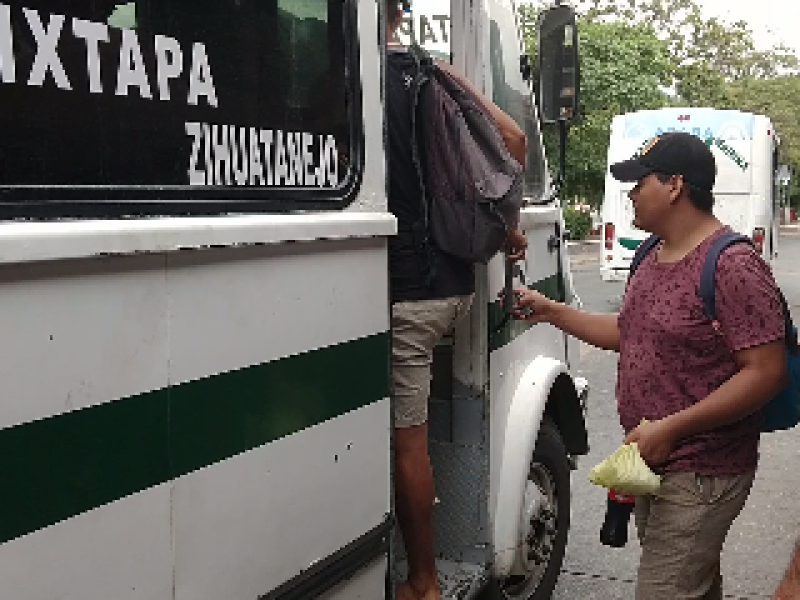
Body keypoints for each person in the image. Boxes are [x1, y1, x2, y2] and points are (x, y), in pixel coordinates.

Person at [512, 132, 788, 600]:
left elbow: (766, 372)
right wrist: (553, 310)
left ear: (675, 185)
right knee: (690, 586)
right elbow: (630, 332)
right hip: (653, 459)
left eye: (640, 182)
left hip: (702, 470)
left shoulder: (734, 265)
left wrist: (673, 428)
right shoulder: (649, 254)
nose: (631, 193)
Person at [385, 3, 527, 599]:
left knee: (406, 441)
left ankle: (424, 581)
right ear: (400, 13)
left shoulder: (342, 80)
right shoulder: (428, 75)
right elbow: (514, 142)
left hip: (405, 294)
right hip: (450, 283)